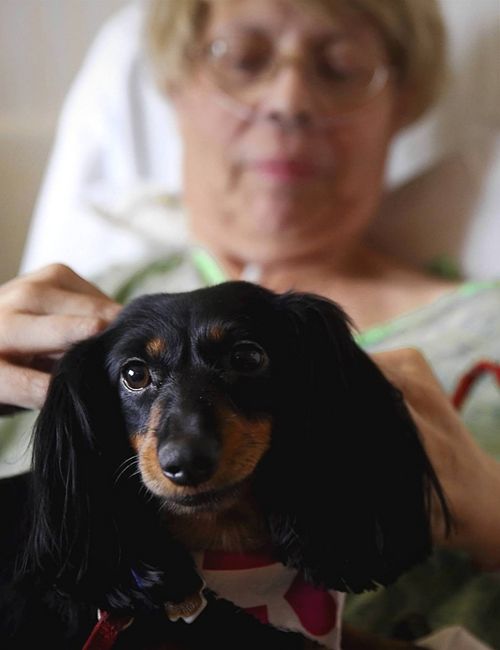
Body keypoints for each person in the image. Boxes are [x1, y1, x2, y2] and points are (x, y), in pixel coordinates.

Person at [1, 0, 500, 647]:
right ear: (175, 90)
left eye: (341, 67)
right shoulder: (60, 304)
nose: (289, 99)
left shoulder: (488, 324)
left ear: (402, 105)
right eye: (242, 59)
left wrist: (491, 507)